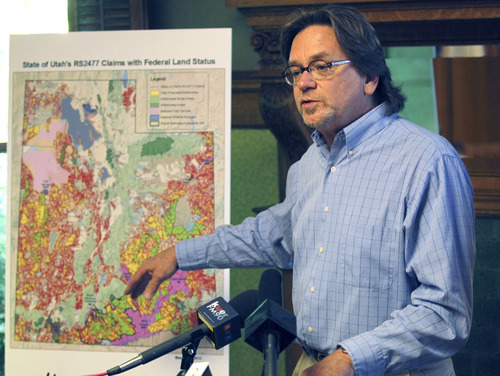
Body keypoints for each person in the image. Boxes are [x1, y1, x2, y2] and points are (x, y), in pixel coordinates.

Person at [125, 5, 475, 376]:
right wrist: (179, 254)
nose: (304, 82)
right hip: (312, 364)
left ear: (370, 76)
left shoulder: (428, 162)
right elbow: (268, 236)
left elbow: (445, 315)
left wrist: (349, 360)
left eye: (322, 67)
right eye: (295, 72)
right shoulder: (309, 164)